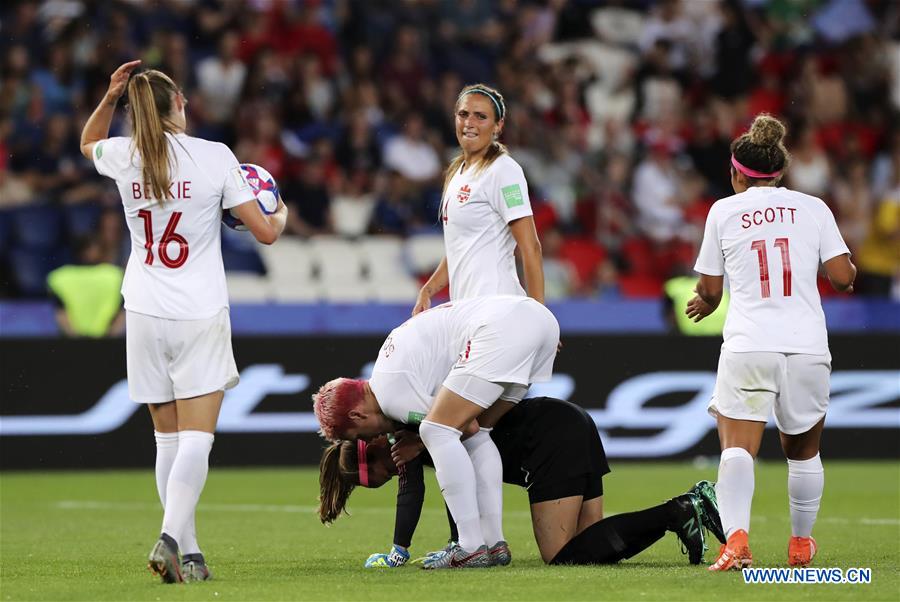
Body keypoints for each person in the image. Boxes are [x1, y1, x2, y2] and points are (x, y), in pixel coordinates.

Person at [79, 60, 287, 583]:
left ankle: (190, 555)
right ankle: (171, 538)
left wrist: (110, 97)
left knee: (166, 440)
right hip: (197, 309)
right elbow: (264, 233)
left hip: (144, 309)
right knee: (197, 438)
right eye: (185, 101)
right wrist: (278, 208)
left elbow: (87, 144)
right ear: (177, 106)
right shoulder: (214, 156)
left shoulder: (126, 154)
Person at [687, 114, 856, 571]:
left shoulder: (722, 210)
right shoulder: (814, 207)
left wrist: (704, 303)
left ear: (735, 171)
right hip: (806, 346)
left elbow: (710, 289)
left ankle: (737, 543)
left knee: (738, 449)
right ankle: (801, 546)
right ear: (780, 171)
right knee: (803, 453)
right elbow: (842, 278)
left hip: (750, 343)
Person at [318, 396, 725, 568]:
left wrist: (399, 552)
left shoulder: (410, 433)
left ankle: (681, 509)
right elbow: (453, 488)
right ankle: (682, 511)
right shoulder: (419, 424)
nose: (396, 472)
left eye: (386, 474)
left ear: (372, 449)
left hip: (548, 440)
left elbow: (416, 491)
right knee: (590, 548)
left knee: (560, 555)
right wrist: (463, 539)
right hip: (569, 420)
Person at [313, 295, 559, 568]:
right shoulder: (388, 368)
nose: (369, 440)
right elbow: (475, 428)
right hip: (539, 321)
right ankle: (493, 542)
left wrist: (420, 441)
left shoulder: (391, 396)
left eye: (358, 435)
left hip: (502, 329)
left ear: (357, 414)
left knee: (437, 431)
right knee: (480, 434)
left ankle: (470, 547)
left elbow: (465, 425)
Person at [413, 83, 544, 314]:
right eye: (463, 114)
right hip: (465, 311)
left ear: (498, 126)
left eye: (480, 116)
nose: (469, 123)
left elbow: (530, 246)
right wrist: (429, 289)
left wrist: (539, 317)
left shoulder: (503, 170)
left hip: (497, 308)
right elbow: (461, 246)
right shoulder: (456, 172)